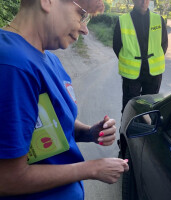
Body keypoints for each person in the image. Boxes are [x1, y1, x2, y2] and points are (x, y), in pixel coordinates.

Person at [0, 0, 128, 199]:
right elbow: (7, 178)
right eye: (82, 14)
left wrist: (87, 132)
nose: (85, 29)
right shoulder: (12, 66)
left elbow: (42, 119)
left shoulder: (48, 58)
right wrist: (91, 169)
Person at [113, 0, 168, 113]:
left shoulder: (158, 19)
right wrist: (129, 60)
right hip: (131, 74)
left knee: (150, 107)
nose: (144, 2)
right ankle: (126, 130)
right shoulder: (123, 20)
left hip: (153, 73)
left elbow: (164, 44)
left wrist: (153, 60)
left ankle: (146, 130)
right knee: (130, 107)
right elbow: (117, 46)